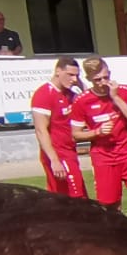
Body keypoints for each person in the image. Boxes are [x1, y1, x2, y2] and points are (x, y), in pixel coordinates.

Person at [71, 57, 127, 239]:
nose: (103, 83)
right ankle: (120, 249)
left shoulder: (125, 92)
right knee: (111, 208)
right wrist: (96, 132)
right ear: (89, 79)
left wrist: (116, 98)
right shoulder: (82, 101)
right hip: (104, 158)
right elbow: (75, 133)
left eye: (106, 77)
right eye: (98, 80)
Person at [30, 55, 89, 199]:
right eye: (70, 75)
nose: (74, 79)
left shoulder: (70, 93)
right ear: (58, 71)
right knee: (77, 198)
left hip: (69, 151)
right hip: (58, 153)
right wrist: (54, 160)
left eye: (76, 75)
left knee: (61, 199)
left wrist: (79, 84)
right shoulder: (44, 94)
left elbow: (86, 96)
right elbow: (41, 130)